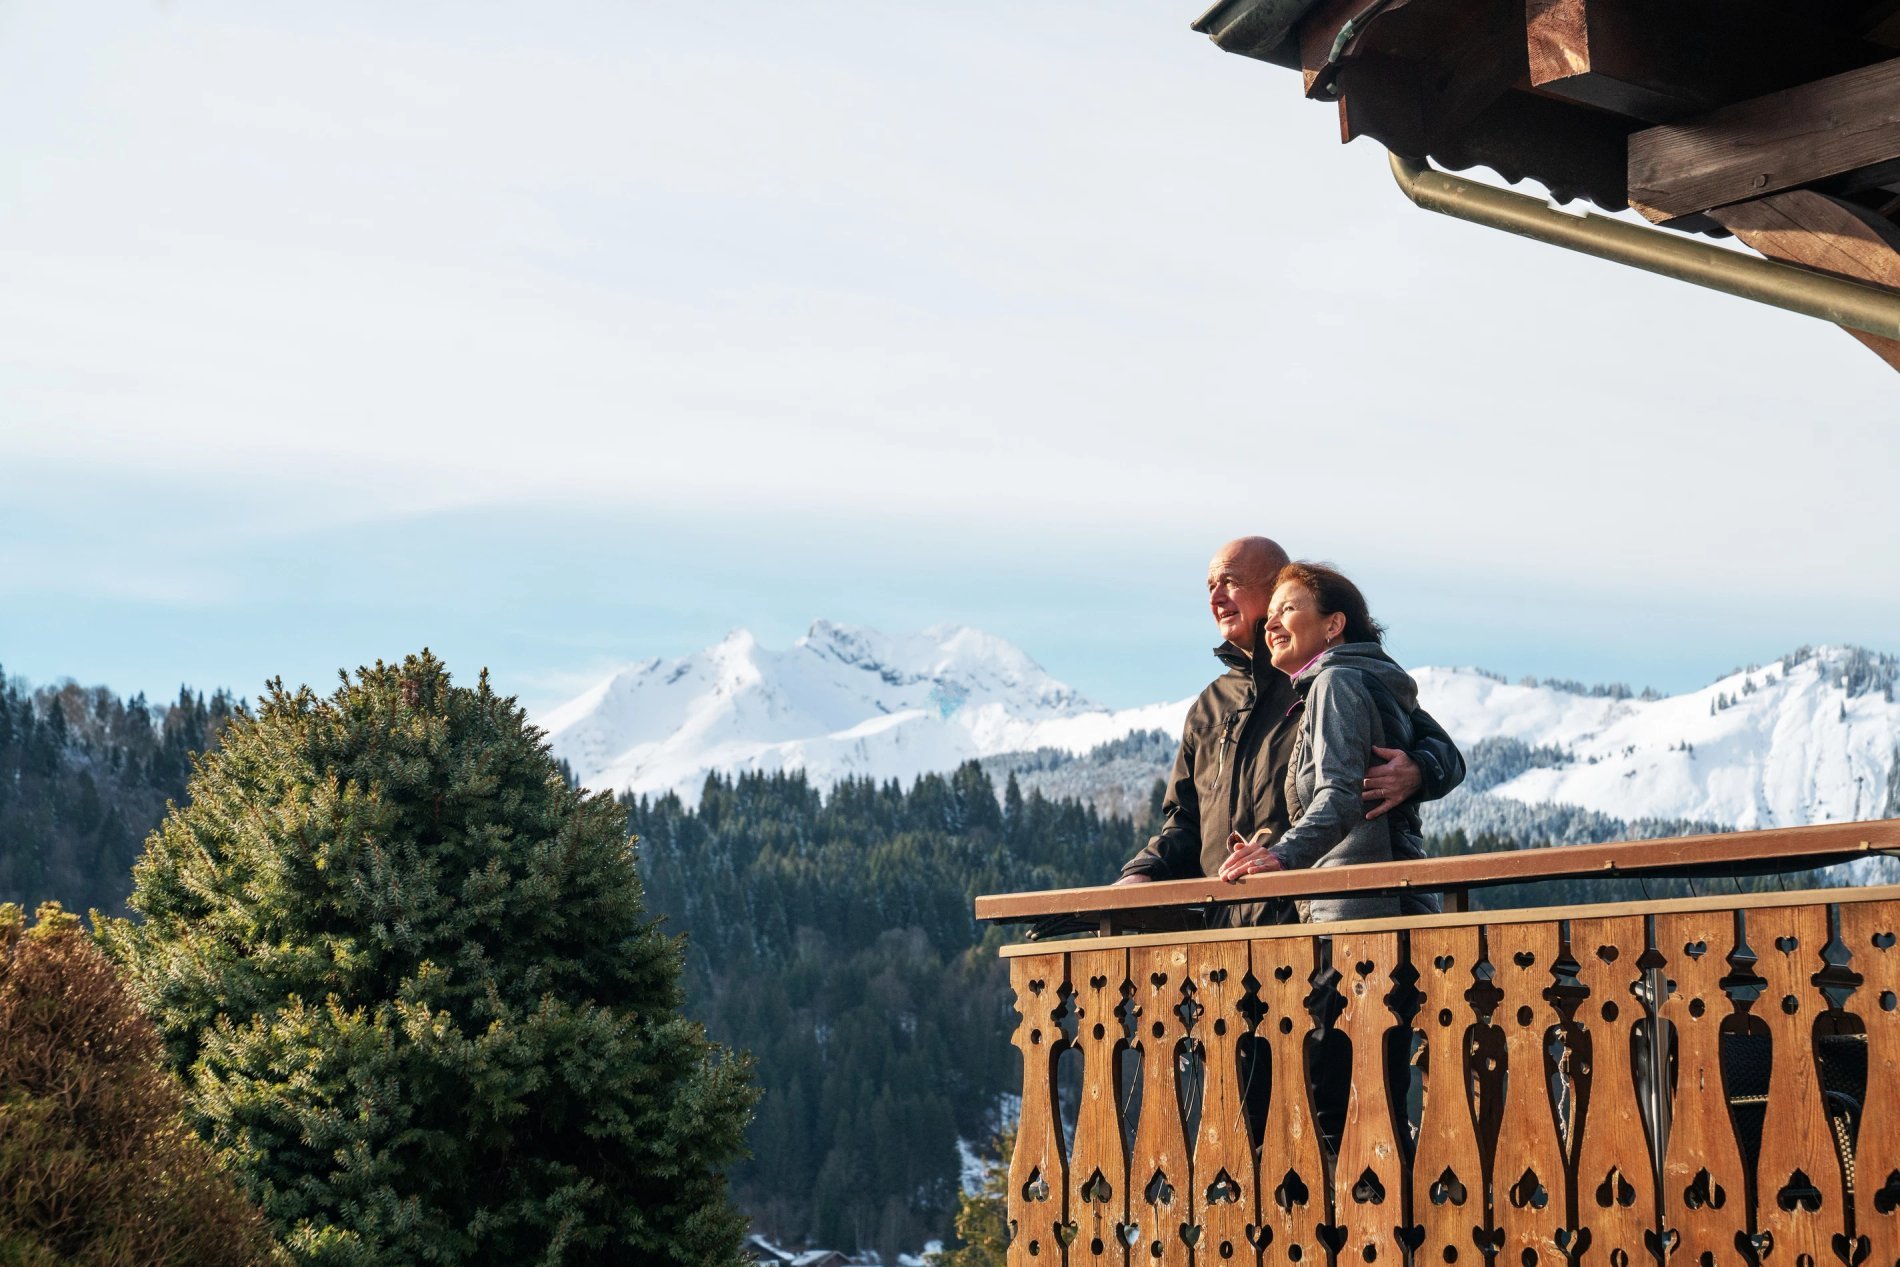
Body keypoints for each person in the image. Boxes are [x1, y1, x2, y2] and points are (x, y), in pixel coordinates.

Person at [1115, 537, 1461, 926]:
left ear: (1275, 585)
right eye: (1209, 586)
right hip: (1227, 925)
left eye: (1229, 581)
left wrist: (1418, 771)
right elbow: (1185, 819)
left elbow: (1441, 750)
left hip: (1312, 915)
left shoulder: (1329, 679)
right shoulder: (1210, 707)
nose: (1216, 597)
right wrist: (1143, 871)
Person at [1216, 561, 1433, 922]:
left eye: (1286, 609)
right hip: (1377, 903)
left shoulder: (1336, 684)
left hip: (1362, 912)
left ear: (1333, 624)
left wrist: (1280, 856)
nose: (1270, 625)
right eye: (1270, 614)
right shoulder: (1365, 682)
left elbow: (1340, 794)